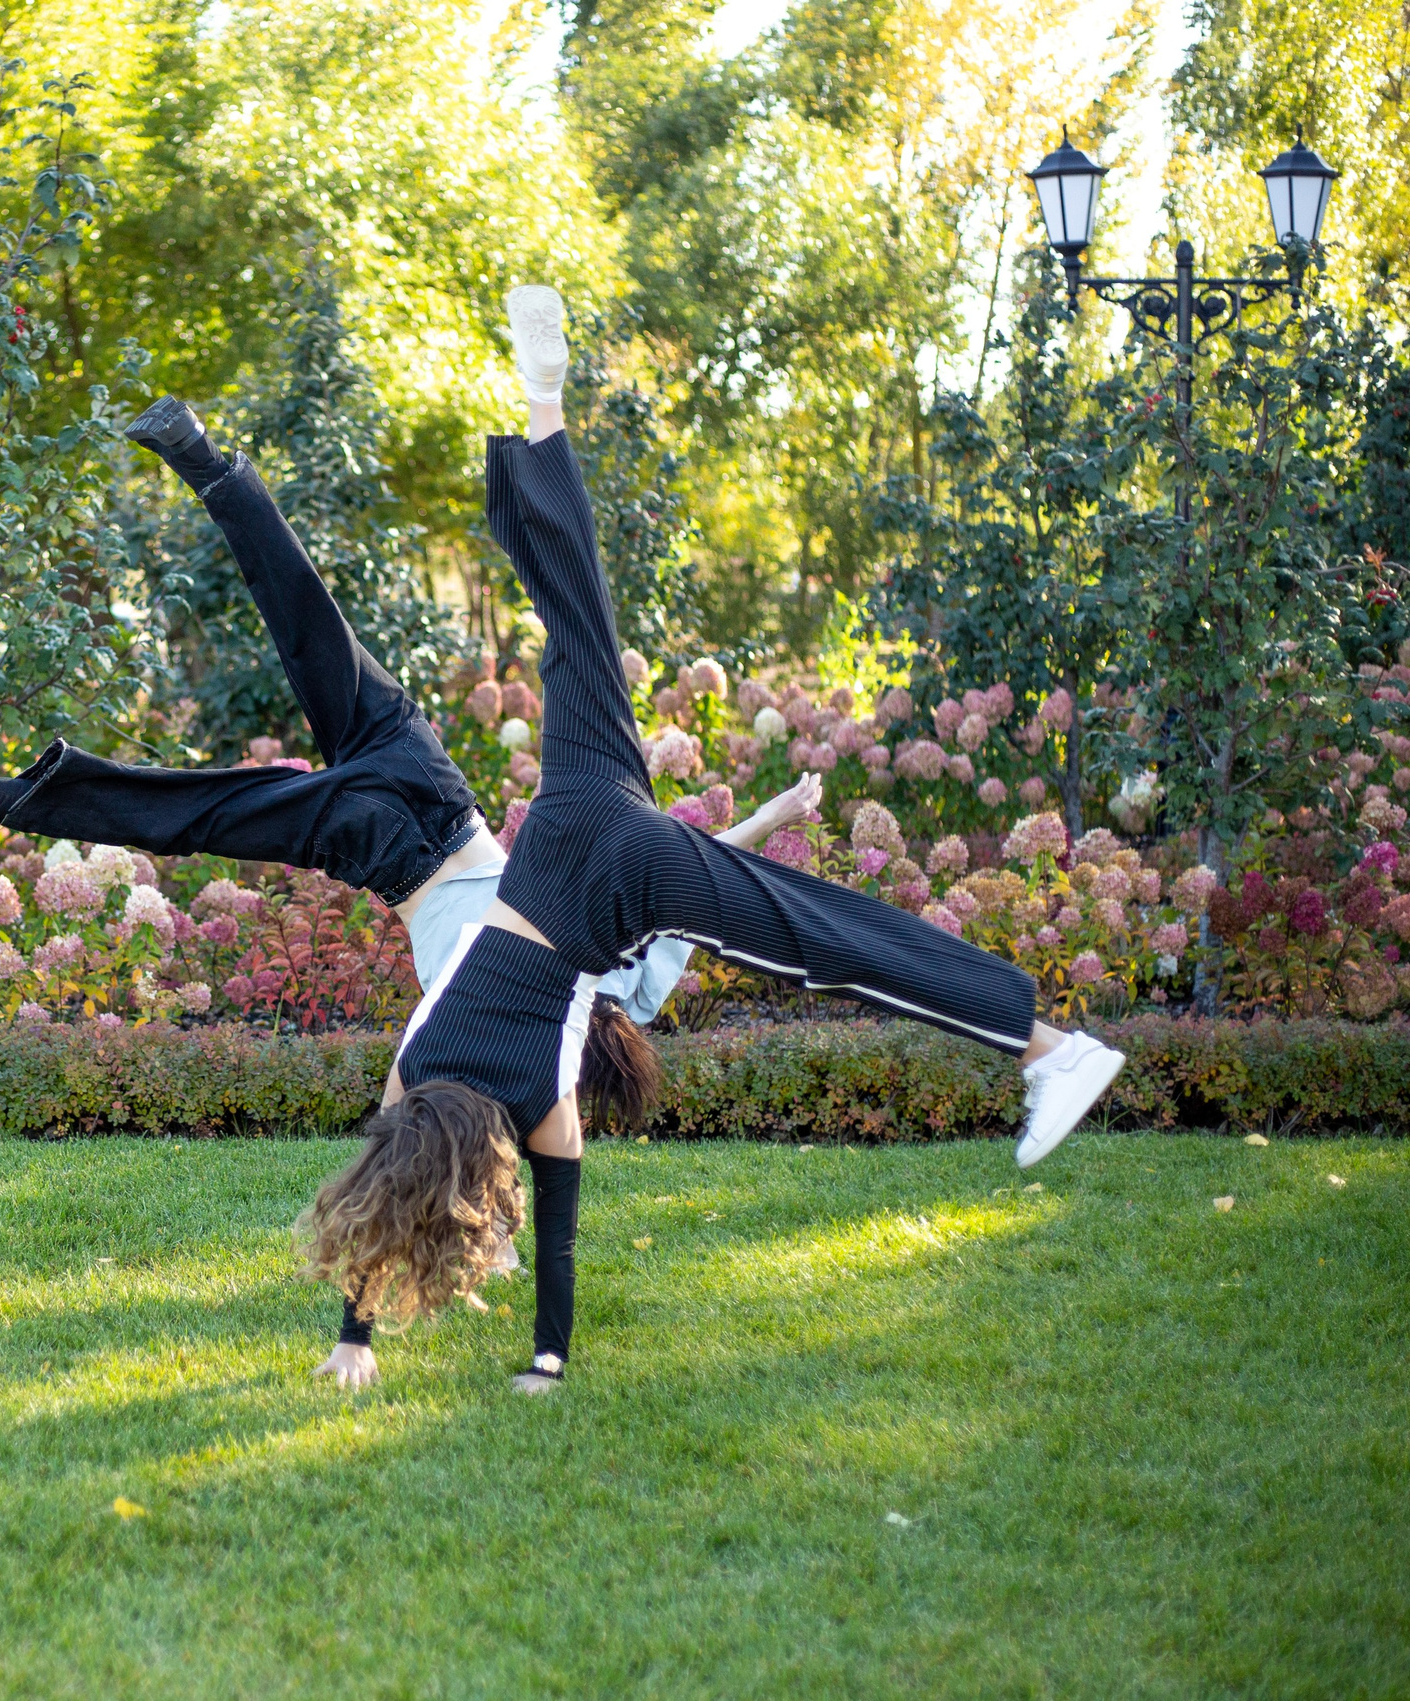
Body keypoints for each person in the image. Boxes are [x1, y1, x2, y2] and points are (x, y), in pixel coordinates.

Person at [300, 285, 1129, 1395]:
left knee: (823, 939)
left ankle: (1051, 1051)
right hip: (572, 812)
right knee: (576, 615)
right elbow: (388, 1168)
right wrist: (360, 1329)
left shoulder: (540, 1107)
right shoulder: (412, 1069)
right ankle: (543, 398)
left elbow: (553, 1239)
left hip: (619, 887)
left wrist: (527, 1361)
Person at [0, 388, 816, 1391]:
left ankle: (205, 456)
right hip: (394, 851)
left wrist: (774, 815)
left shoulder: (609, 985)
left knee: (312, 626)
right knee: (208, 813)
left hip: (438, 789)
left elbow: (691, 875)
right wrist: (372, 1331)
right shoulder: (450, 1059)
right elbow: (401, 1176)